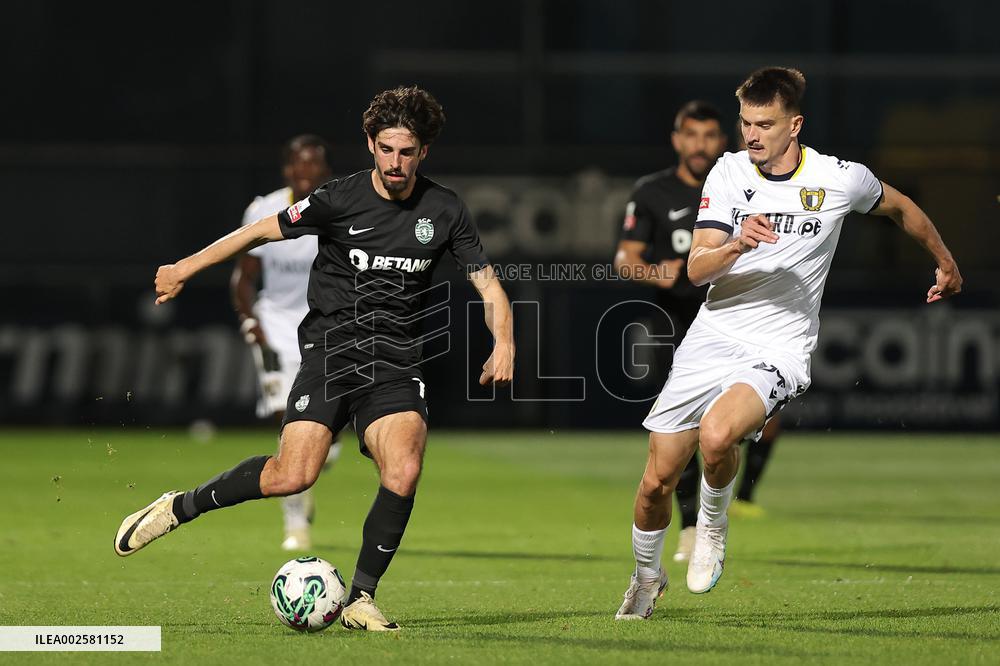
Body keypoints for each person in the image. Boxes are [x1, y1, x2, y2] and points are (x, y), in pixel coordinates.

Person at [115, 86, 515, 632]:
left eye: (407, 152)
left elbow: (489, 286)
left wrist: (504, 342)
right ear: (371, 145)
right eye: (386, 149)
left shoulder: (444, 209)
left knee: (404, 467)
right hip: (331, 354)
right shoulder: (338, 198)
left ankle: (361, 599)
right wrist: (184, 268)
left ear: (424, 152)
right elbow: (259, 231)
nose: (395, 163)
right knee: (293, 476)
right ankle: (178, 507)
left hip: (394, 362)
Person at [615, 67, 962, 620]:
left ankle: (711, 524)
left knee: (718, 435)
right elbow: (697, 269)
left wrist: (944, 261)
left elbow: (900, 207)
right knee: (657, 479)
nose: (751, 135)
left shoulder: (838, 179)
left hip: (779, 346)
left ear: (794, 125)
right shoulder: (728, 172)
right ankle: (646, 577)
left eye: (765, 124)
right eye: (746, 123)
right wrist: (735, 244)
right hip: (713, 333)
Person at [613, 101, 725, 563]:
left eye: (709, 135)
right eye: (691, 135)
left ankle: (718, 512)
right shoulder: (653, 192)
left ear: (722, 141)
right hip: (676, 323)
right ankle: (693, 526)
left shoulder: (737, 185)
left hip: (733, 321)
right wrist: (654, 272)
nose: (700, 145)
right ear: (677, 140)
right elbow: (625, 258)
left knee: (725, 430)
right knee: (683, 427)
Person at [231, 134, 340, 552]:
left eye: (313, 164)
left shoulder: (339, 210)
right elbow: (244, 276)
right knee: (286, 424)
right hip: (275, 329)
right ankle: (295, 524)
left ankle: (316, 466)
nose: (305, 171)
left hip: (324, 332)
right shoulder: (264, 210)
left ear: (325, 171)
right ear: (287, 169)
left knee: (324, 443)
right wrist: (249, 319)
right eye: (298, 163)